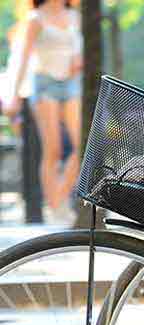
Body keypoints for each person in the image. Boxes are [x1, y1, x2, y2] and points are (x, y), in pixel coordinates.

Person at [5, 0, 82, 225]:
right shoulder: (35, 19)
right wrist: (15, 94)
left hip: (71, 83)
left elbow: (80, 48)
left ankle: (58, 200)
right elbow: (23, 59)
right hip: (44, 83)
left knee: (82, 146)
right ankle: (57, 209)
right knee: (53, 150)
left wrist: (79, 60)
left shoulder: (74, 16)